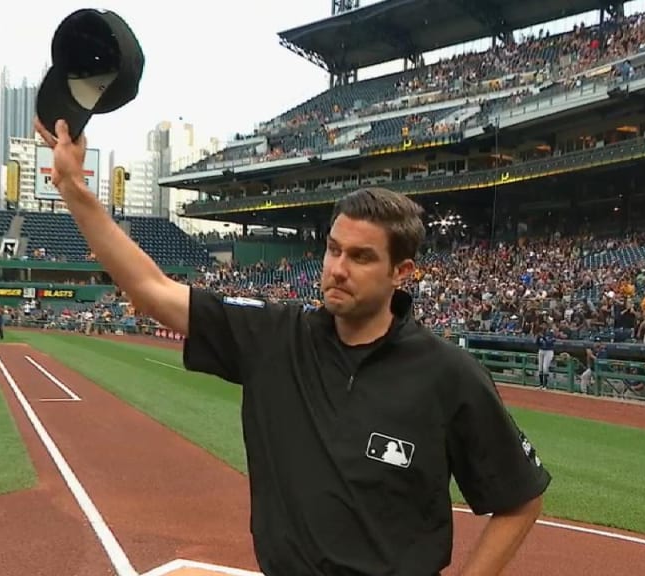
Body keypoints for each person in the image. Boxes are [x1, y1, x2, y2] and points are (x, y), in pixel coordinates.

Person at [35, 117, 550, 576]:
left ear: (402, 272)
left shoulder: (447, 373)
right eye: (332, 249)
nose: (338, 268)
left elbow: (520, 497)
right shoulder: (275, 336)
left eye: (362, 257)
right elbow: (153, 291)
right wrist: (74, 189)